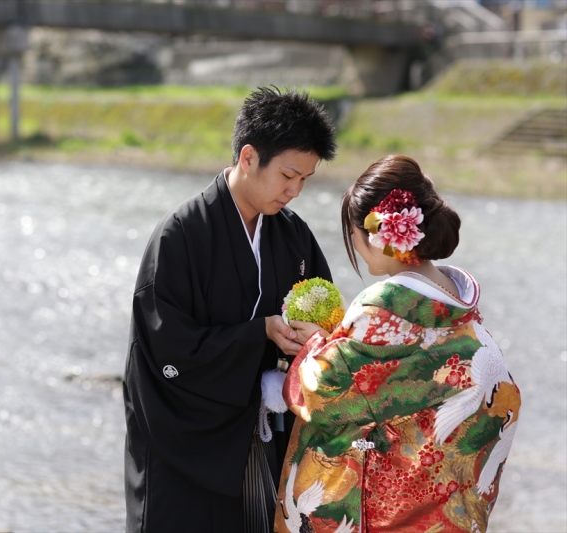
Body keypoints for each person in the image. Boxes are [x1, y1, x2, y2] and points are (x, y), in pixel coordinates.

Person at [122, 87, 337, 533]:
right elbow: (168, 351)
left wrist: (306, 342)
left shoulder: (294, 236)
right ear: (249, 157)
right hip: (185, 448)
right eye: (288, 175)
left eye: (305, 179)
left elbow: (327, 321)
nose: (294, 191)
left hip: (264, 440)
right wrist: (258, 334)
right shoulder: (180, 236)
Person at [274, 155, 522, 533]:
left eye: (353, 234)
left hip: (394, 516)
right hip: (445, 508)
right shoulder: (458, 303)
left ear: (375, 235)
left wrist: (314, 345)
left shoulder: (385, 310)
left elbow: (324, 394)